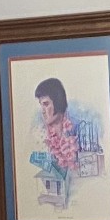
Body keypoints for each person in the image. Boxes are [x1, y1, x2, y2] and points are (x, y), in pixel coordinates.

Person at [28, 76, 81, 209]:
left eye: (46, 104)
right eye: (41, 105)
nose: (43, 111)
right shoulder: (39, 138)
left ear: (58, 103)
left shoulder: (77, 133)